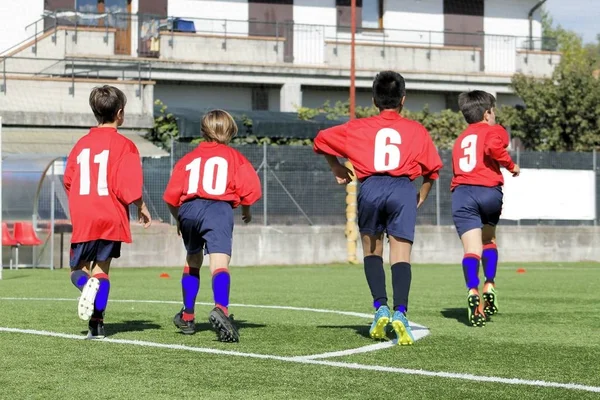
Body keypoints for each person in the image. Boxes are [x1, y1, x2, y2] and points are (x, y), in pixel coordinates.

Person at [313, 71, 443, 345]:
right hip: (403, 188)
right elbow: (432, 171)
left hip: (370, 187)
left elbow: (321, 139)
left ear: (373, 100)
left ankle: (380, 307)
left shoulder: (357, 128)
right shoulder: (416, 130)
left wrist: (336, 165)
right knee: (401, 255)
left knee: (372, 252)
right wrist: (421, 194)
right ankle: (402, 312)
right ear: (403, 100)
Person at [163, 109, 261, 342]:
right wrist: (246, 209)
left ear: (203, 131)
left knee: (192, 259)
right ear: (231, 131)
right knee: (219, 262)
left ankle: (187, 316)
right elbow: (252, 190)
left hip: (188, 209)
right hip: (218, 209)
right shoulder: (234, 157)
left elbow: (170, 196)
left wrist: (179, 218)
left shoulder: (188, 159)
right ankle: (221, 309)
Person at [64, 85, 152, 339]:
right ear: (120, 113)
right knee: (101, 270)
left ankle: (84, 286)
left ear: (95, 113)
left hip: (84, 217)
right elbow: (128, 186)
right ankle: (97, 325)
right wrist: (141, 207)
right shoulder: (125, 146)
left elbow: (69, 180)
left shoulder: (81, 144)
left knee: (77, 270)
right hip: (111, 215)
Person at [450, 90, 520, 327]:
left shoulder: (460, 140)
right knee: (488, 240)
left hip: (462, 193)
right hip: (488, 191)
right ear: (488, 113)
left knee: (471, 249)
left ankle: (473, 290)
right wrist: (511, 166)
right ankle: (489, 282)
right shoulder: (494, 130)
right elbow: (493, 147)